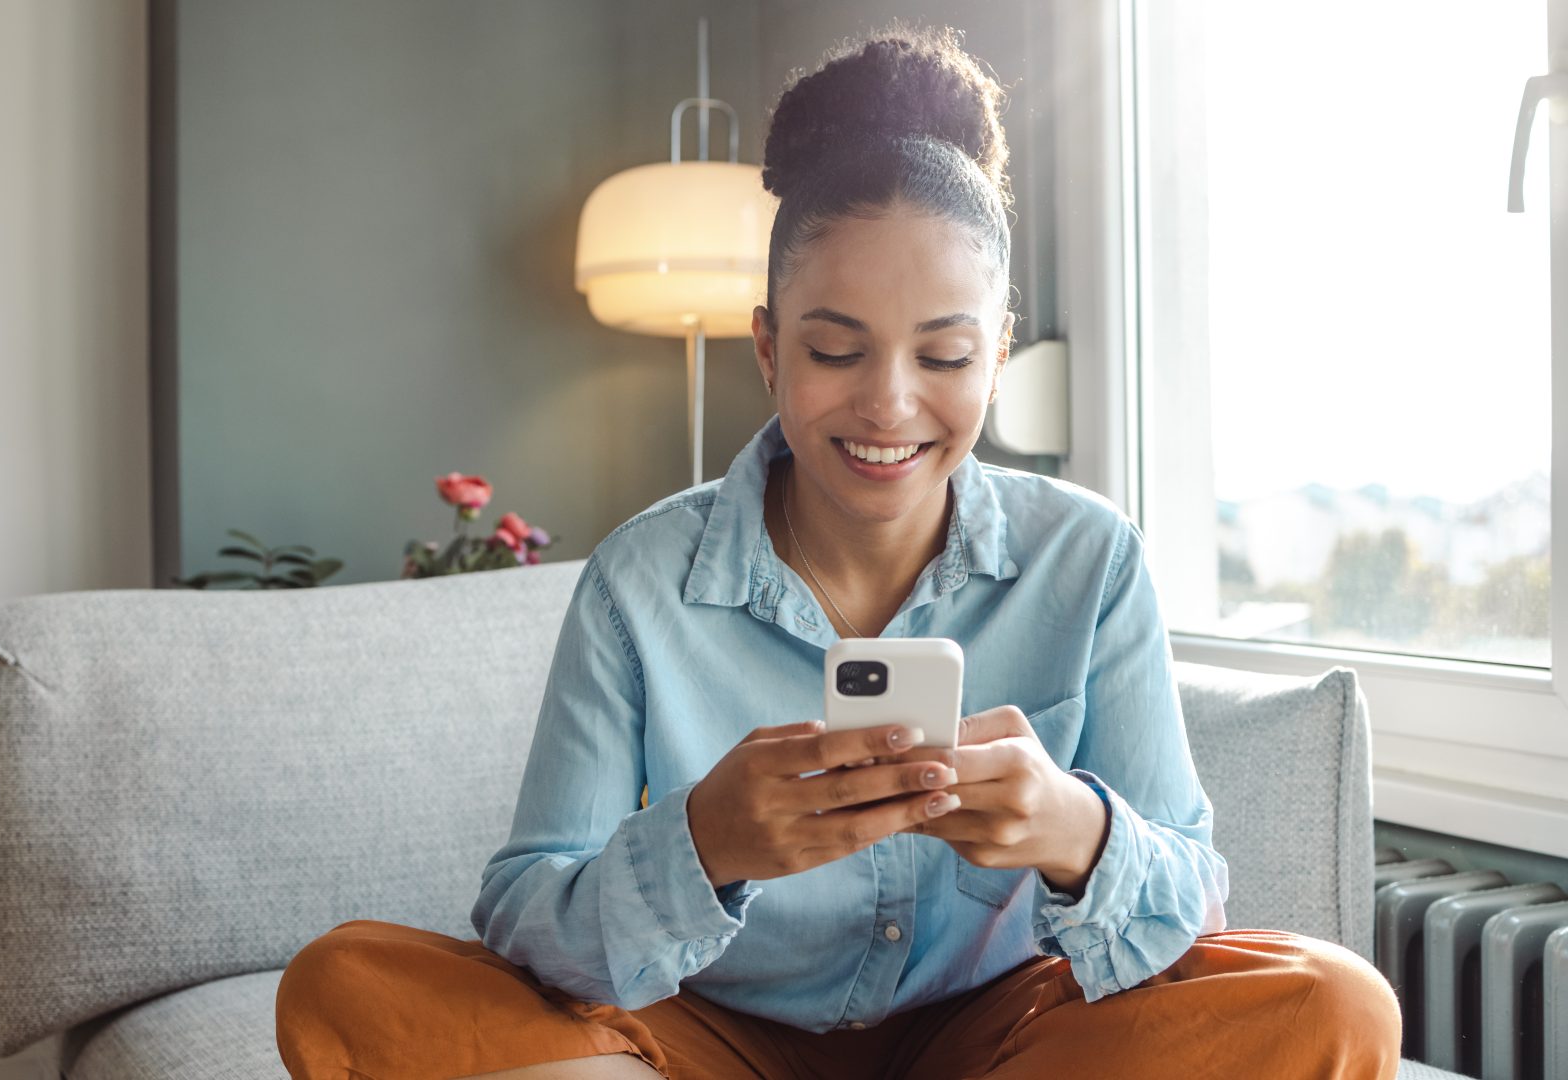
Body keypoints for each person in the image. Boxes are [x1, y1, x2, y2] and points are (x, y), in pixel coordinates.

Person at [277, 25, 1401, 1079]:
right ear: (769, 345)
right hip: (706, 1030)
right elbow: (529, 919)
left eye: (946, 355)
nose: (890, 405)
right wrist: (705, 842)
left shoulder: (1089, 559)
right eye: (834, 348)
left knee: (1335, 1004)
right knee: (347, 986)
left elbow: (1190, 911)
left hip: (996, 1038)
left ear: (998, 352)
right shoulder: (641, 582)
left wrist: (1073, 829)